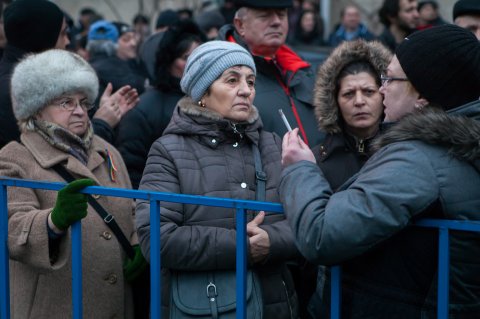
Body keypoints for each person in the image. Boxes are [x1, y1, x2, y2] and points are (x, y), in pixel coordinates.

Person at [279, 24, 480, 318]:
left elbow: (321, 235)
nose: (381, 87)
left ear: (422, 95)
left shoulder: (419, 158)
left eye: (390, 78)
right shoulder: (450, 146)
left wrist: (301, 169)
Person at [135, 41, 300, 318]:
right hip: (203, 307)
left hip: (276, 304)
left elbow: (306, 222)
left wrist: (272, 240)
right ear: (203, 92)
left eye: (250, 81)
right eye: (232, 80)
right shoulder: (169, 150)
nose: (246, 90)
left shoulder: (271, 144)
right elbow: (157, 239)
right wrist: (242, 247)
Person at [0, 49, 147, 318]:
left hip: (116, 304)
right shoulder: (14, 157)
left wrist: (138, 241)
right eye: (65, 102)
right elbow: (11, 229)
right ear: (37, 108)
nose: (79, 111)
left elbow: (132, 205)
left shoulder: (106, 151)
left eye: (83, 101)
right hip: (54, 306)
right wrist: (53, 221)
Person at [0, 0, 138, 149]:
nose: (67, 41)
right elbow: (53, 157)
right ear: (43, 37)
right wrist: (102, 123)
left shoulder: (31, 79)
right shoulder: (16, 90)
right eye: (63, 33)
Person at [218, 0, 324, 147]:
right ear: (241, 25)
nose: (276, 22)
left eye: (281, 15)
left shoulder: (303, 70)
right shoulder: (219, 76)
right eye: (264, 16)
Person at [115, 20, 204, 189]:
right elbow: (132, 169)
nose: (196, 63)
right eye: (186, 57)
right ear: (169, 61)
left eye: (200, 56)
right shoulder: (143, 109)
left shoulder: (212, 100)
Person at [312, 39, 391, 191]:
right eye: (348, 94)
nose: (359, 101)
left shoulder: (403, 153)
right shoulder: (318, 160)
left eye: (368, 92)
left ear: (384, 94)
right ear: (334, 101)